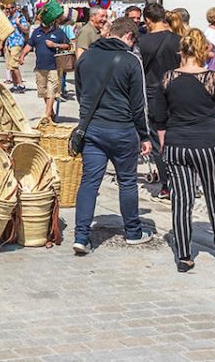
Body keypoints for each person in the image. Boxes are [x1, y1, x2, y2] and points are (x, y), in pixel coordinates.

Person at [149, 29, 215, 271]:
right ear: (201, 52)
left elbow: (158, 117)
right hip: (208, 144)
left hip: (177, 145)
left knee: (181, 199)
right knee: (214, 195)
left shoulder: (167, 78)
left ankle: (184, 254)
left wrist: (164, 141)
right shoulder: (211, 79)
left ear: (182, 51)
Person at [71, 16, 153, 254]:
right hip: (122, 129)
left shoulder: (85, 57)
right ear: (129, 36)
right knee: (127, 181)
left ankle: (81, 236)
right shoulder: (131, 61)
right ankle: (133, 232)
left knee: (89, 182)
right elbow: (139, 104)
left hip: (93, 129)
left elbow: (80, 92)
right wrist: (144, 136)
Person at [137, 2, 180, 200]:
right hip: (177, 93)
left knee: (157, 140)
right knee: (178, 137)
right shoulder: (178, 40)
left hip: (153, 95)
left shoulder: (142, 42)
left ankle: (166, 184)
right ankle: (182, 180)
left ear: (148, 20)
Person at [28, 15, 69, 122]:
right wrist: (22, 56)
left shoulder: (58, 32)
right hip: (40, 67)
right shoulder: (37, 31)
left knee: (51, 91)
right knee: (43, 92)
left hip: (54, 67)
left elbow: (67, 45)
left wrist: (54, 44)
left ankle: (46, 115)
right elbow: (29, 44)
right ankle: (51, 112)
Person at [1, 2, 31, 94]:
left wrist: (18, 24)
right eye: (7, 9)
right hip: (9, 43)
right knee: (10, 66)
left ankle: (21, 84)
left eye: (9, 8)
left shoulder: (20, 17)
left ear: (15, 8)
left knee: (14, 65)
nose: (8, 10)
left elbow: (26, 30)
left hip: (17, 43)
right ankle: (15, 85)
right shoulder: (9, 18)